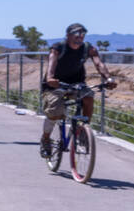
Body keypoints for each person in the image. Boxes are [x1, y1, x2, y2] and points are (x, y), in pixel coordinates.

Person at [40, 22, 116, 157]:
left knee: (88, 97)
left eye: (82, 34)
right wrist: (51, 78)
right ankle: (46, 139)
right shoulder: (58, 47)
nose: (80, 37)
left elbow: (98, 63)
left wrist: (108, 78)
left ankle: (83, 131)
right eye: (76, 34)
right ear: (68, 35)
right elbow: (52, 62)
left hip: (76, 84)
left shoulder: (88, 48)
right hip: (55, 85)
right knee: (54, 112)